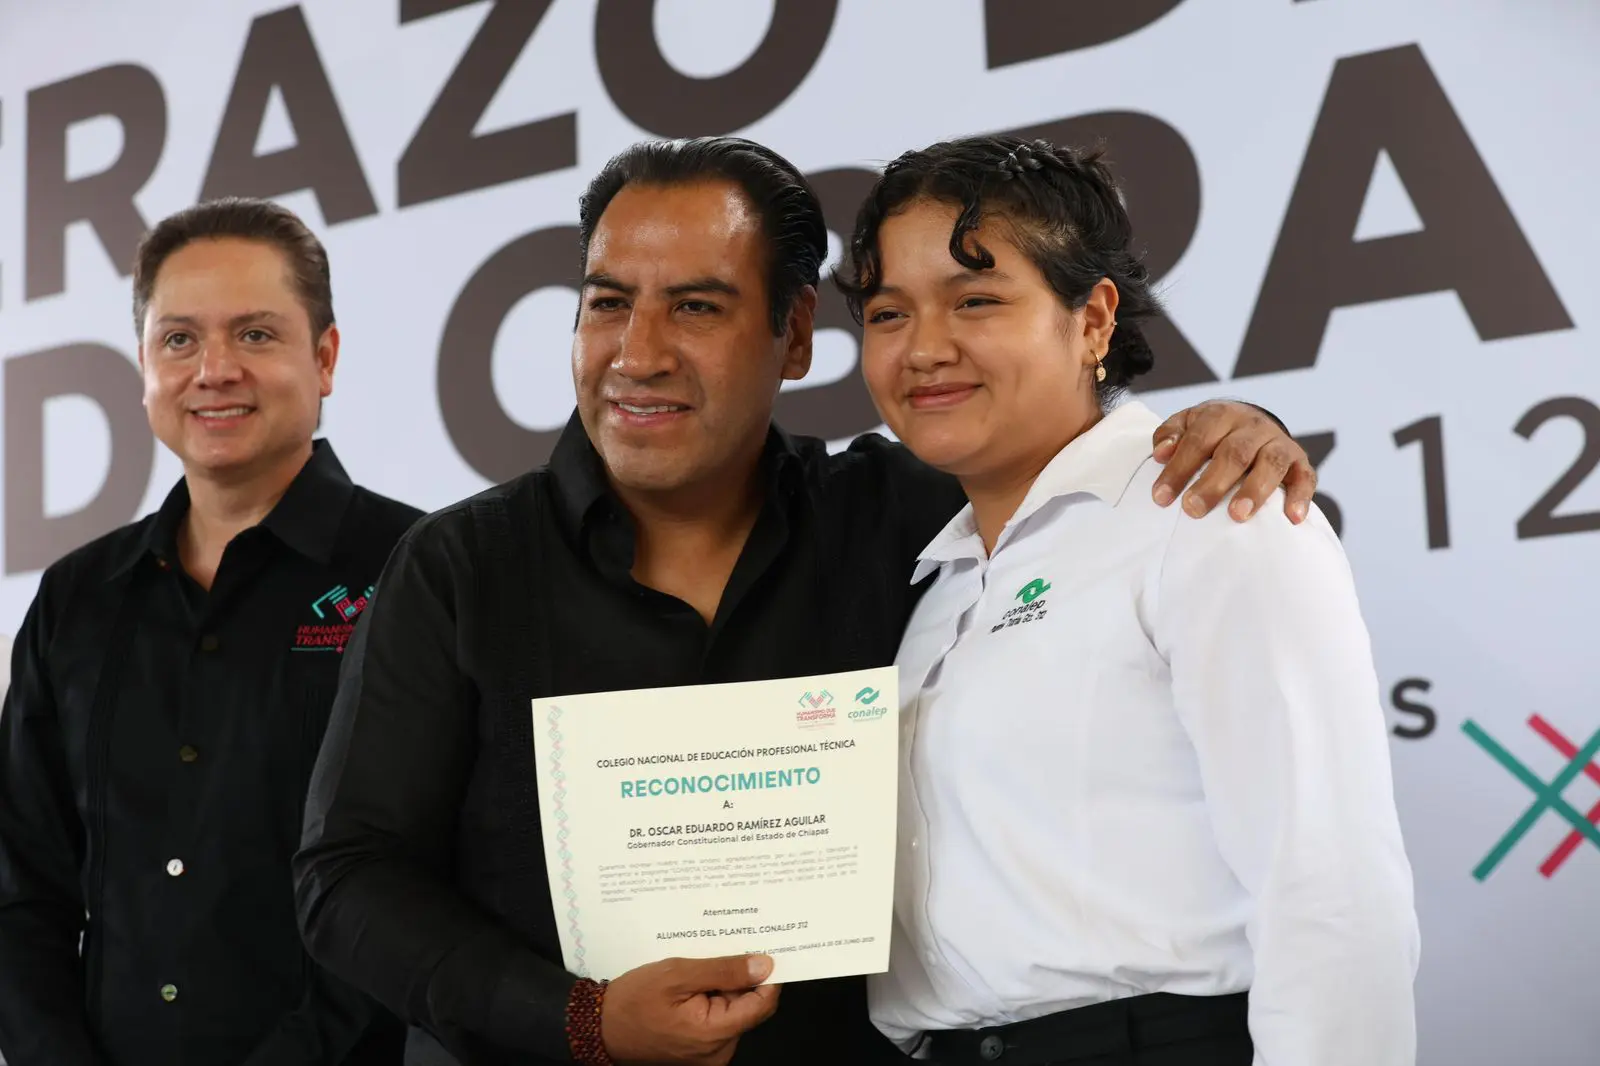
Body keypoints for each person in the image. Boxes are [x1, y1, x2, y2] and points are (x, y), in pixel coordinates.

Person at [292, 136, 1315, 1066]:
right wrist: (581, 1018)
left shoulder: (904, 519)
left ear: (792, 337)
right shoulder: (457, 566)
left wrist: (1227, 427)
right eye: (607, 302)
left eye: (695, 306)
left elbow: (1061, 463)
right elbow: (348, 877)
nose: (637, 352)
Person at [840, 135, 1420, 1065]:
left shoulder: (1212, 515)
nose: (925, 350)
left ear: (1093, 319)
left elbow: (1332, 891)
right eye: (886, 313)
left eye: (977, 299)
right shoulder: (935, 579)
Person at [0, 198, 418, 1066]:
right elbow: (20, 892)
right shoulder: (76, 599)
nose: (213, 370)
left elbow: (427, 893)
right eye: (179, 339)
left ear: (326, 357)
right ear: (146, 366)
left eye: (257, 335)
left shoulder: (419, 570)